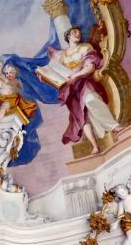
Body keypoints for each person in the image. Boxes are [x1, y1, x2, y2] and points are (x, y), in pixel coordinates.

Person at [37, 26, 122, 154]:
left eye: (78, 32)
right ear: (68, 36)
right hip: (70, 90)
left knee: (91, 99)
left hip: (84, 82)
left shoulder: (85, 47)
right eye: (74, 32)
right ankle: (95, 146)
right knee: (81, 117)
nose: (78, 34)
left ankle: (114, 126)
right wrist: (45, 78)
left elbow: (90, 67)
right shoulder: (61, 55)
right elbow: (56, 74)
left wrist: (76, 76)